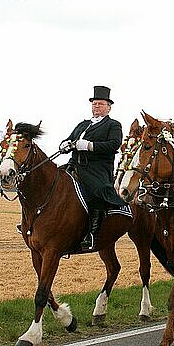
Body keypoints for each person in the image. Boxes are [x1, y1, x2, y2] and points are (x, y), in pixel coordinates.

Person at [59, 86, 127, 251]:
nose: (96, 107)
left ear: (108, 107)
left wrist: (89, 146)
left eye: (100, 104)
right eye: (94, 104)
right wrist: (64, 144)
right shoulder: (83, 124)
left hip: (97, 167)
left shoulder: (113, 125)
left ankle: (91, 233)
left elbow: (113, 145)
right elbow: (69, 139)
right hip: (75, 163)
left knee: (97, 189)